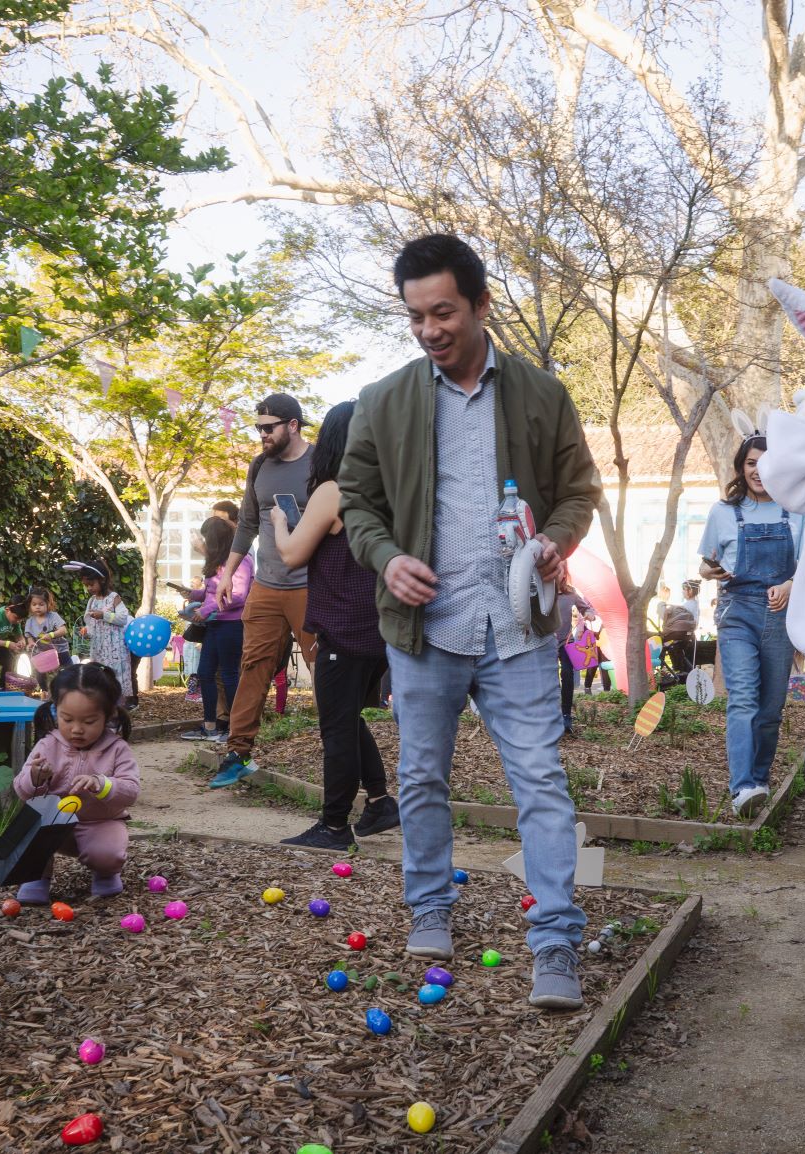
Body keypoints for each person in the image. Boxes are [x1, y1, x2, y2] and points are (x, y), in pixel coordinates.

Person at [339, 233, 603, 1011]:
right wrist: (385, 557)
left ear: (481, 305)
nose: (429, 330)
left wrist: (556, 540)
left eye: (443, 312)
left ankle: (554, 940)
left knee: (541, 783)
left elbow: (578, 490)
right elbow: (357, 503)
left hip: (519, 625)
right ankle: (429, 908)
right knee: (421, 776)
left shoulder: (540, 394)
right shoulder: (383, 401)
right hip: (424, 629)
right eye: (416, 316)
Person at [272, 400, 399, 848]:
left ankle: (333, 825)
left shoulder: (334, 489)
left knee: (336, 727)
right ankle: (381, 802)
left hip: (341, 626)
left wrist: (280, 522)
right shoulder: (387, 489)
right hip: (377, 627)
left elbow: (291, 555)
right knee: (346, 717)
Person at [208, 394, 317, 788]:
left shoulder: (320, 462)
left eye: (268, 427)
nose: (261, 435)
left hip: (311, 586)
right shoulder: (259, 466)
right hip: (267, 587)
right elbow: (248, 524)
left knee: (324, 669)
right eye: (257, 428)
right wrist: (227, 575)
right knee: (252, 665)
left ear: (292, 425)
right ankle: (237, 752)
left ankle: (339, 753)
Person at [700, 431, 804, 818]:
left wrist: (791, 585)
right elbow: (705, 563)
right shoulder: (723, 512)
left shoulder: (796, 511)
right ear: (741, 469)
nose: (758, 471)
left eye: (765, 463)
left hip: (780, 617)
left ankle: (759, 781)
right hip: (737, 615)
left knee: (771, 708)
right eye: (750, 463)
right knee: (743, 699)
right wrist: (712, 571)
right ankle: (742, 786)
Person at [10, 663, 140, 901]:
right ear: (55, 710)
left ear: (109, 714)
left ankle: (105, 872)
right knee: (29, 822)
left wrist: (102, 784)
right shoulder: (48, 744)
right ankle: (35, 876)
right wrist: (36, 777)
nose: (76, 730)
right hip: (53, 824)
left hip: (100, 823)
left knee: (107, 853)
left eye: (89, 721)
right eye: (67, 719)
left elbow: (131, 791)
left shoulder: (117, 749)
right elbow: (22, 789)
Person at [180, 516, 250, 741]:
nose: (204, 545)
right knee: (205, 673)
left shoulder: (240, 561)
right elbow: (212, 591)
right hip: (214, 625)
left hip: (231, 625)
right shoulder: (218, 562)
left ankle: (235, 728)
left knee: (229, 675)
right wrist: (193, 594)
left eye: (206, 539)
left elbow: (237, 595)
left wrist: (207, 608)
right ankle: (209, 726)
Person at [66, 560, 134, 706]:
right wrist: (87, 630)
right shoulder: (92, 600)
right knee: (99, 673)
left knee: (115, 674)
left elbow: (123, 618)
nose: (89, 588)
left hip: (114, 647)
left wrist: (104, 615)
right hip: (99, 646)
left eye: (91, 584)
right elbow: (90, 621)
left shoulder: (113, 597)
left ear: (102, 580)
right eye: (86, 585)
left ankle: (118, 706)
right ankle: (103, 704)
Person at [555, 581, 595, 733]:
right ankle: (553, 715)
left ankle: (566, 715)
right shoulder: (544, 592)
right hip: (547, 643)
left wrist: (589, 614)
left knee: (567, 673)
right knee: (551, 679)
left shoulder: (570, 593)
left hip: (566, 641)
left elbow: (586, 608)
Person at [21, 586, 69, 694]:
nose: (37, 607)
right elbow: (29, 637)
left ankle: (67, 690)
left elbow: (63, 630)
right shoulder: (30, 621)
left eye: (41, 604)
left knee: (67, 671)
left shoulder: (53, 616)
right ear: (30, 606)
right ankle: (45, 691)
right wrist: (31, 643)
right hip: (42, 653)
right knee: (39, 673)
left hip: (60, 651)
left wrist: (51, 634)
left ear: (48, 604)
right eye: (34, 604)